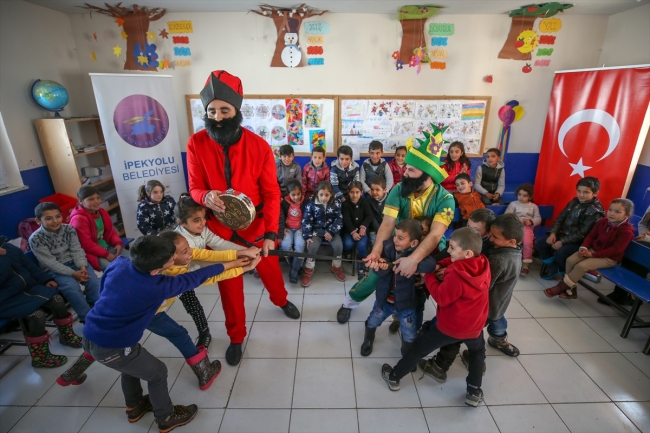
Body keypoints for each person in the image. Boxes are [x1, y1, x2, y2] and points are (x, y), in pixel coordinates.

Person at [82, 235, 257, 431]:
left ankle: (135, 406)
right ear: (156, 270)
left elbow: (104, 288)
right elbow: (196, 277)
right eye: (172, 260)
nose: (175, 261)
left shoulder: (121, 263)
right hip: (113, 346)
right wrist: (233, 264)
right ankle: (166, 417)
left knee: (129, 369)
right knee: (158, 373)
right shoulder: (157, 287)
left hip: (91, 332)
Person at [186, 70, 300, 367]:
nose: (218, 117)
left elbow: (273, 194)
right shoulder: (195, 144)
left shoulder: (259, 145)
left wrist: (272, 235)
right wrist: (203, 197)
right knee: (230, 286)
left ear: (237, 109)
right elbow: (195, 187)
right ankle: (236, 336)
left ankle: (281, 300)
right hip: (219, 231)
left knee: (271, 270)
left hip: (258, 226)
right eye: (212, 110)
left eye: (225, 110)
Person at [59, 231, 258, 389]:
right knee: (179, 334)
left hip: (118, 316)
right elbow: (206, 277)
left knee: (97, 344)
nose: (190, 253)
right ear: (166, 260)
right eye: (183, 253)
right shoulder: (166, 272)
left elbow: (204, 254)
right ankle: (204, 372)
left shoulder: (161, 255)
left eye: (188, 248)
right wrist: (241, 268)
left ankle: (70, 374)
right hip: (150, 312)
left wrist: (240, 253)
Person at [336, 136, 455, 323]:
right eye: (406, 168)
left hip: (428, 250)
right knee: (375, 277)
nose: (404, 173)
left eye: (410, 170)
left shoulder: (445, 198)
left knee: (420, 286)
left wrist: (414, 260)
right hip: (396, 243)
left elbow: (435, 235)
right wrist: (376, 252)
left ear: (427, 174)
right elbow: (387, 223)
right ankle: (349, 303)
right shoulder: (399, 189)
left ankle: (413, 320)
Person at [380, 227, 490, 408]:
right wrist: (442, 264)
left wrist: (428, 274)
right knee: (478, 353)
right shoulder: (483, 262)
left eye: (453, 248)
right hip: (475, 325)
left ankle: (394, 377)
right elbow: (454, 262)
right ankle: (474, 391)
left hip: (450, 326)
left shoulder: (455, 274)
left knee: (418, 348)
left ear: (468, 252)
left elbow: (441, 297)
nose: (448, 251)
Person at [173, 194, 256, 349]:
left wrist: (246, 251)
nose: (203, 223)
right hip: (173, 283)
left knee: (194, 308)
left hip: (189, 277)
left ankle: (204, 332)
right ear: (181, 222)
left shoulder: (202, 231)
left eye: (204, 218)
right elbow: (208, 260)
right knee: (163, 316)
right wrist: (240, 257)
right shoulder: (182, 243)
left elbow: (219, 244)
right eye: (196, 220)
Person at [0, 236, 81, 368]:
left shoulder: (8, 247)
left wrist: (45, 279)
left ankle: (66, 336)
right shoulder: (4, 253)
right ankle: (40, 357)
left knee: (57, 299)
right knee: (37, 315)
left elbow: (29, 266)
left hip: (28, 289)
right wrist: (3, 258)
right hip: (6, 300)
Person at [361, 220, 435, 357]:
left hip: (406, 305)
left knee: (409, 334)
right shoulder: (387, 247)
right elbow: (380, 274)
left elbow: (430, 265)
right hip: (384, 301)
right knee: (372, 321)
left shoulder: (417, 254)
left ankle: (407, 355)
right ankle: (368, 339)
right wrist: (381, 267)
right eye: (395, 235)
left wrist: (411, 263)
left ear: (413, 243)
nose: (395, 240)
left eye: (400, 238)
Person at [544, 198, 635, 299]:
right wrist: (584, 247)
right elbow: (591, 236)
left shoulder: (626, 232)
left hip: (609, 258)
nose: (612, 213)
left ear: (627, 215)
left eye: (617, 212)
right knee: (570, 260)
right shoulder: (602, 222)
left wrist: (592, 255)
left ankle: (562, 287)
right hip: (593, 250)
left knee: (581, 266)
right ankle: (571, 289)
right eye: (610, 210)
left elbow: (615, 250)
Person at [29, 202, 100, 323]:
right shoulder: (35, 239)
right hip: (55, 269)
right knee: (72, 288)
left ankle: (96, 307)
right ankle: (87, 317)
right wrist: (73, 274)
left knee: (93, 281)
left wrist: (82, 267)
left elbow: (76, 249)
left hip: (75, 262)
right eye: (48, 218)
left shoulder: (69, 229)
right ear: (38, 221)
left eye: (57, 216)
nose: (55, 221)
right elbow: (50, 263)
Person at [535, 176, 604, 280]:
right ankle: (552, 267)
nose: (581, 195)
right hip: (565, 236)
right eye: (579, 191)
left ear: (595, 193)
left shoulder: (595, 211)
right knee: (540, 243)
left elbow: (583, 233)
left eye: (586, 192)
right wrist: (553, 233)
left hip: (581, 242)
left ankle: (566, 277)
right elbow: (560, 218)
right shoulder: (574, 201)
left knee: (561, 252)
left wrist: (562, 242)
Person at [70, 185, 125, 271]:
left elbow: (111, 231)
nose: (96, 201)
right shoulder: (79, 219)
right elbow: (86, 244)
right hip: (91, 253)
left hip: (106, 246)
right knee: (114, 270)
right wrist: (107, 254)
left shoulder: (102, 212)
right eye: (91, 199)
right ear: (81, 201)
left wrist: (117, 243)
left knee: (131, 260)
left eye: (98, 198)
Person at [300, 181, 345, 286]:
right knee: (312, 246)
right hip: (316, 231)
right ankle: (309, 268)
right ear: (317, 193)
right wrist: (307, 236)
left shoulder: (336, 203)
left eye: (327, 195)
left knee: (338, 245)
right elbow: (306, 221)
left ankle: (336, 266)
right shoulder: (311, 203)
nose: (324, 198)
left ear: (331, 194)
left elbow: (339, 219)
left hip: (331, 231)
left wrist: (331, 231)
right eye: (321, 195)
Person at [505, 183, 541, 275]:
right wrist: (517, 219)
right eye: (520, 194)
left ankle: (525, 264)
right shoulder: (513, 204)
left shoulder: (533, 206)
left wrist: (531, 221)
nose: (521, 197)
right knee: (512, 241)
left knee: (528, 242)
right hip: (514, 226)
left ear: (529, 197)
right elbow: (507, 216)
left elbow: (538, 218)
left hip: (527, 227)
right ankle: (510, 262)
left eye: (524, 196)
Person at [342, 181, 374, 279]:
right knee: (348, 244)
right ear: (348, 193)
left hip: (362, 231)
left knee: (362, 245)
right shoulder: (345, 204)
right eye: (352, 192)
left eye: (357, 192)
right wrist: (353, 232)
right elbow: (346, 220)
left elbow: (369, 216)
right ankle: (347, 254)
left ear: (361, 192)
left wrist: (363, 227)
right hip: (349, 231)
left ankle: (361, 267)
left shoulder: (365, 203)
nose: (354, 195)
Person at [279, 179, 306, 283]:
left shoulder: (304, 202)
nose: (296, 197)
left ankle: (293, 271)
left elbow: (307, 217)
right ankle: (297, 266)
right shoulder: (285, 203)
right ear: (288, 193)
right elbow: (281, 217)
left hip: (300, 229)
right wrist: (282, 229)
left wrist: (304, 227)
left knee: (300, 245)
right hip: (288, 228)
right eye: (293, 194)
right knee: (285, 245)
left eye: (298, 194)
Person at [367, 177, 388, 247]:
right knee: (375, 244)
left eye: (377, 190)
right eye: (372, 189)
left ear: (384, 190)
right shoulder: (369, 201)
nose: (374, 192)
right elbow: (372, 218)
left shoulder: (389, 200)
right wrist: (379, 231)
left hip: (387, 228)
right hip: (374, 230)